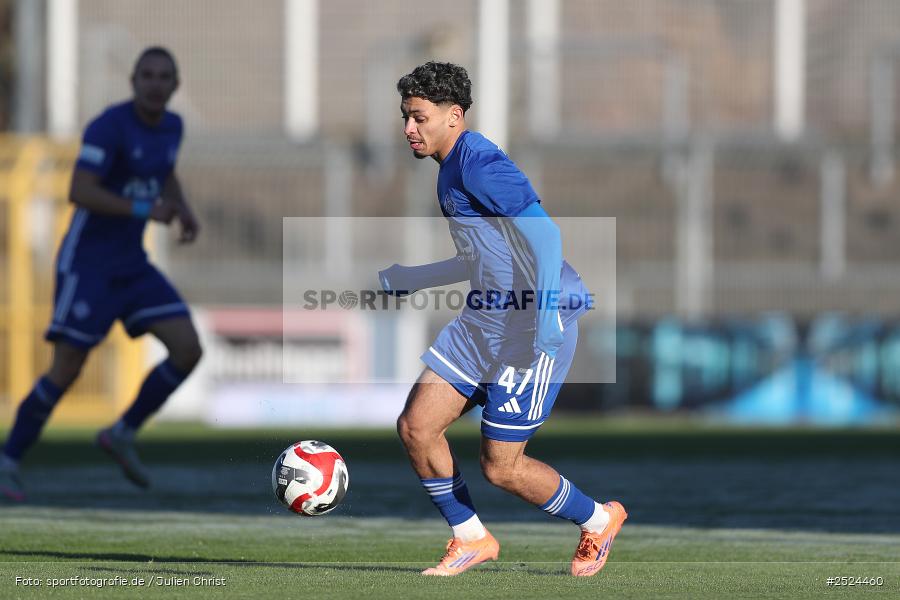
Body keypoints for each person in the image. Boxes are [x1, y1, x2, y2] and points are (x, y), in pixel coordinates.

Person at [379, 62, 626, 577]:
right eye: (405, 117)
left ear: (454, 116)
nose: (408, 129)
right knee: (417, 427)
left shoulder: (481, 163)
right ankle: (471, 538)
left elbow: (547, 237)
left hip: (531, 320)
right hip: (484, 319)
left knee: (501, 467)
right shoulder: (448, 167)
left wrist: (546, 321)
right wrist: (417, 277)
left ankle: (599, 519)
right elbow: (485, 254)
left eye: (418, 118)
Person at [0, 47, 202, 500]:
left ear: (175, 85)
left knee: (187, 349)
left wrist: (184, 209)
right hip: (87, 265)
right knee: (67, 369)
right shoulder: (109, 127)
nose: (154, 83)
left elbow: (164, 171)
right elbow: (79, 190)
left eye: (163, 76)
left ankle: (122, 432)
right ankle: (8, 459)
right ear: (132, 80)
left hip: (131, 265)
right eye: (146, 75)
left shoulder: (173, 126)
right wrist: (145, 209)